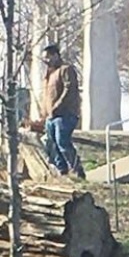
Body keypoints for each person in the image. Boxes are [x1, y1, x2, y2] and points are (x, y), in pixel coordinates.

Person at [40, 44, 85, 179]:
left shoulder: (66, 70)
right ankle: (62, 170)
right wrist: (44, 112)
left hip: (65, 115)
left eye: (48, 57)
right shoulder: (48, 74)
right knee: (50, 143)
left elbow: (69, 90)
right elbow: (46, 96)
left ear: (55, 55)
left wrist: (57, 107)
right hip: (50, 116)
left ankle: (77, 170)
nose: (45, 60)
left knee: (62, 141)